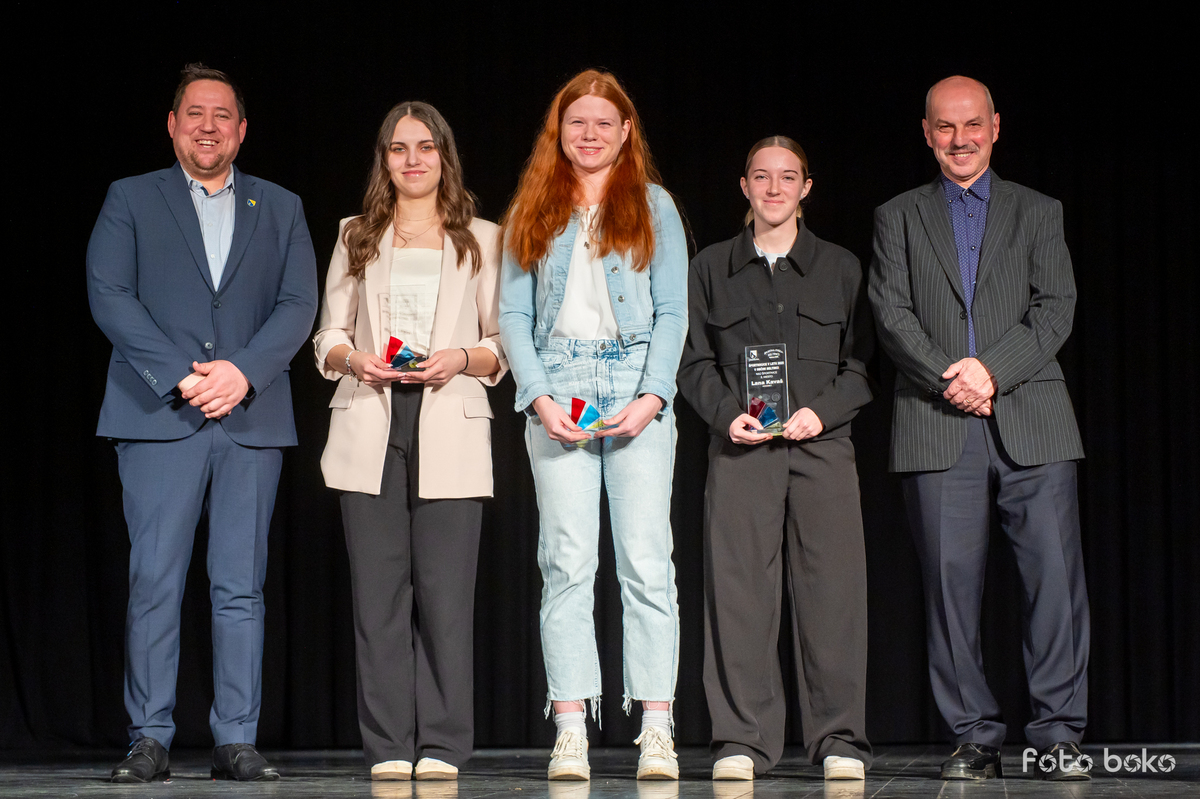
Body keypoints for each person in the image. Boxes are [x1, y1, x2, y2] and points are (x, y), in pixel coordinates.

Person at [87, 63, 317, 783]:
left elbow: (298, 303)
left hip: (249, 417)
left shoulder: (280, 206)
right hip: (160, 414)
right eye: (195, 113)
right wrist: (184, 376)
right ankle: (149, 737)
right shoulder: (130, 197)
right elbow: (110, 293)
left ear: (241, 130)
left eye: (222, 115)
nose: (208, 126)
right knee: (155, 580)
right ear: (172, 125)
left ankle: (235, 738)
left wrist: (242, 372)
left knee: (240, 586)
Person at [868, 76, 1090, 781]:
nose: (959, 139)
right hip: (937, 421)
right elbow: (892, 314)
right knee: (949, 591)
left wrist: (990, 372)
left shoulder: (1039, 210)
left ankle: (1057, 734)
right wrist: (952, 381)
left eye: (972, 125)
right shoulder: (897, 216)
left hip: (1033, 418)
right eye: (945, 126)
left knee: (1053, 584)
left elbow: (1055, 307)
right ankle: (974, 736)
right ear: (926, 133)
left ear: (996, 126)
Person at [498, 69, 687, 781]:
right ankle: (571, 728)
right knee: (568, 563)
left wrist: (653, 396)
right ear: (560, 130)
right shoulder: (534, 206)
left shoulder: (654, 205)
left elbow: (673, 311)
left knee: (647, 562)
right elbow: (513, 314)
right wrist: (539, 398)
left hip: (634, 384)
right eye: (577, 121)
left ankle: (656, 729)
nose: (590, 133)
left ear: (625, 130)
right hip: (560, 385)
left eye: (604, 122)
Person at [313, 101, 505, 782]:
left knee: (446, 599)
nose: (413, 159)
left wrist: (460, 357)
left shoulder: (483, 238)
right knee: (379, 598)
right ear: (385, 159)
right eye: (399, 148)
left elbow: (502, 342)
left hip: (450, 420)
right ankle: (390, 742)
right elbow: (328, 334)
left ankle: (444, 745)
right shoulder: (356, 234)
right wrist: (353, 359)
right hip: (371, 417)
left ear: (444, 157)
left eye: (425, 147)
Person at [677, 137, 874, 782]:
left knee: (833, 592)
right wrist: (724, 414)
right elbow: (693, 361)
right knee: (738, 594)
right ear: (744, 186)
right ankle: (741, 741)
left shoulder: (840, 267)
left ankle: (839, 740)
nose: (774, 188)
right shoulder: (710, 268)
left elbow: (862, 364)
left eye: (787, 177)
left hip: (822, 448)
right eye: (761, 177)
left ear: (805, 188)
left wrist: (823, 411)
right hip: (742, 449)